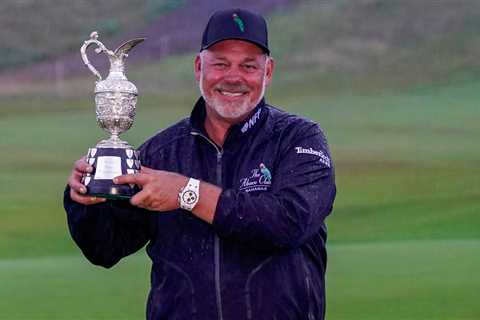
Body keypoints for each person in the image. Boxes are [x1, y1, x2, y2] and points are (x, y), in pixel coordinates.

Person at [64, 8, 336, 320]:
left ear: (268, 72)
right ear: (198, 67)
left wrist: (186, 192)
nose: (233, 77)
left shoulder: (298, 139)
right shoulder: (161, 153)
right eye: (220, 64)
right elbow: (105, 247)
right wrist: (86, 196)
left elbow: (289, 223)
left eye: (248, 66)